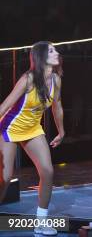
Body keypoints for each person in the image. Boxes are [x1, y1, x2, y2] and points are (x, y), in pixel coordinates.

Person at [0, 42, 65, 236]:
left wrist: (61, 132)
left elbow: (57, 107)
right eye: (52, 50)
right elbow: (4, 106)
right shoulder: (27, 79)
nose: (57, 53)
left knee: (48, 171)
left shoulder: (56, 79)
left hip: (32, 129)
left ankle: (41, 222)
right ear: (40, 56)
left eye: (55, 50)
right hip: (9, 129)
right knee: (4, 179)